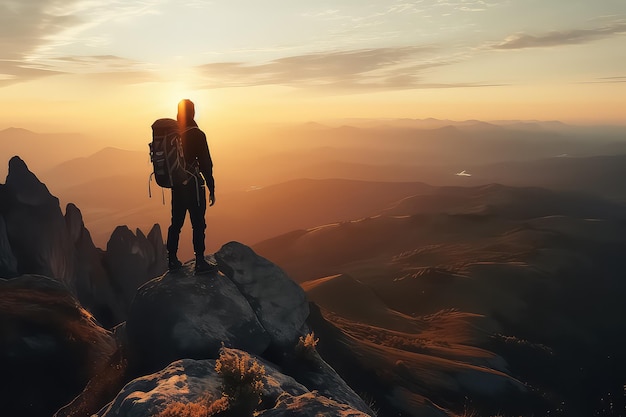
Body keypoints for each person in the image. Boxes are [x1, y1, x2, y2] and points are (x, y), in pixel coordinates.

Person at [166, 99, 216, 273]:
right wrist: (211, 187)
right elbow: (206, 164)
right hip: (193, 186)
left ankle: (172, 259)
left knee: (176, 224)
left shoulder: (172, 134)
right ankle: (200, 261)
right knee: (198, 224)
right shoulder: (197, 134)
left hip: (177, 186)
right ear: (193, 113)